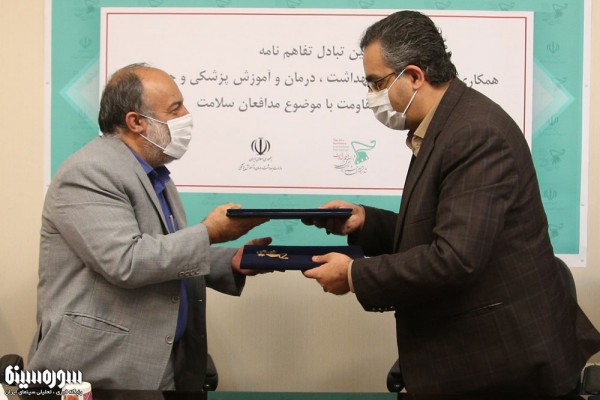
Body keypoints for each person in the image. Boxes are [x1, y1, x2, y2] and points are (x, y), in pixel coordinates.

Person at [303, 10, 600, 395]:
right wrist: (365, 222)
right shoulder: (446, 125)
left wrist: (353, 275)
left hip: (504, 366)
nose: (372, 96)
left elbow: (454, 258)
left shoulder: (475, 134)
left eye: (377, 83)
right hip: (479, 353)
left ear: (414, 76)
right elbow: (437, 232)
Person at [27, 63, 271, 391]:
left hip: (161, 369)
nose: (187, 115)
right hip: (100, 374)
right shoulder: (89, 172)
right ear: (136, 122)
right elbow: (126, 261)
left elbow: (162, 253)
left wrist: (230, 262)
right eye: (175, 108)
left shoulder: (154, 174)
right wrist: (210, 232)